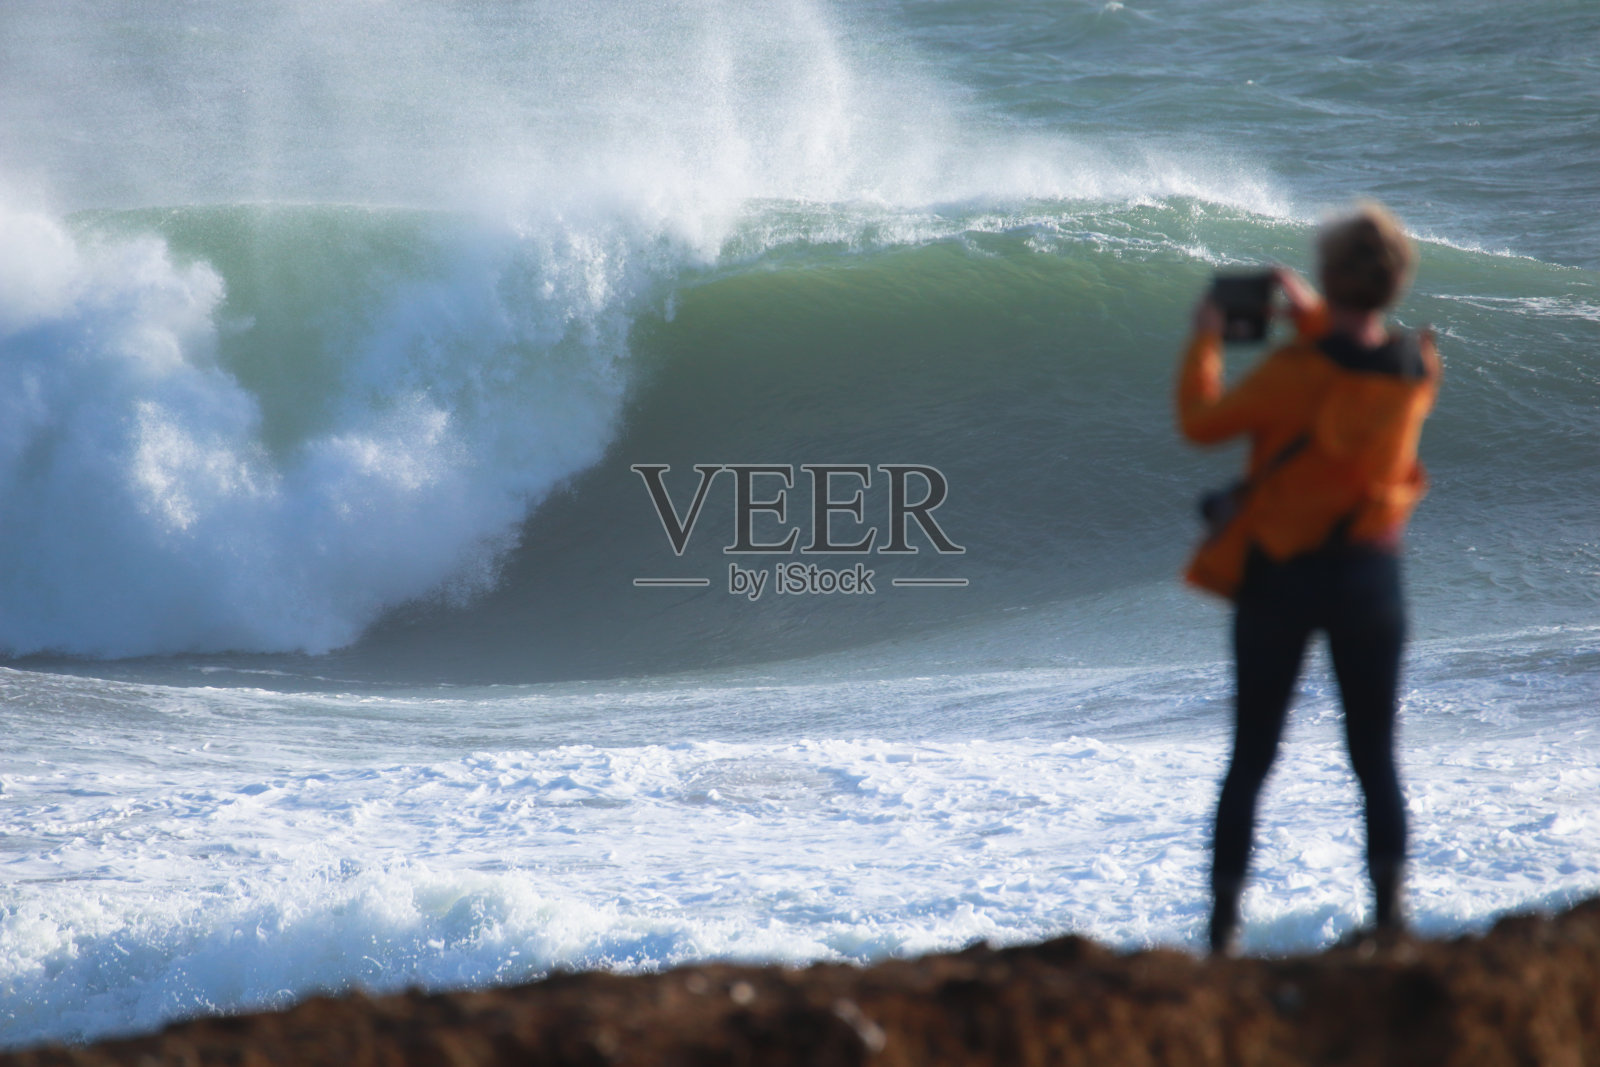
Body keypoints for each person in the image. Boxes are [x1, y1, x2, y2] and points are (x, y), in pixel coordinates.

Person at [1175, 203, 1440, 955]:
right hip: (1368, 580)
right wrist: (1318, 314)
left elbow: (1202, 421)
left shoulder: (1293, 371)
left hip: (1281, 577)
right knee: (1374, 754)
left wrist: (1204, 337)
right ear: (1395, 283)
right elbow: (1358, 365)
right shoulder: (1418, 368)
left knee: (1252, 755)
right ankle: (1391, 920)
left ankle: (1222, 932)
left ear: (1328, 276)